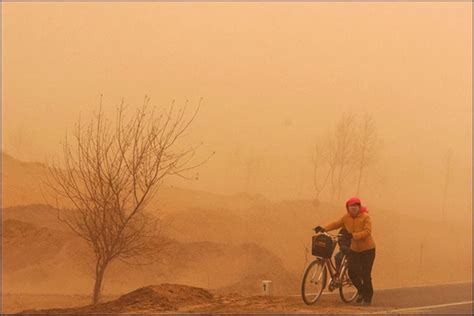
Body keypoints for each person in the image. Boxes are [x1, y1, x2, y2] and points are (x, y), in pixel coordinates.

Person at [314, 197, 376, 305]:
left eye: (356, 207)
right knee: (352, 272)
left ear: (359, 207)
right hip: (354, 249)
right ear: (348, 208)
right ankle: (361, 291)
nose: (353, 209)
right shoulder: (346, 217)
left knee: (366, 274)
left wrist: (354, 235)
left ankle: (368, 298)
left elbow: (367, 231)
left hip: (367, 250)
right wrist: (323, 228)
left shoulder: (365, 217)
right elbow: (335, 223)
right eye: (351, 207)